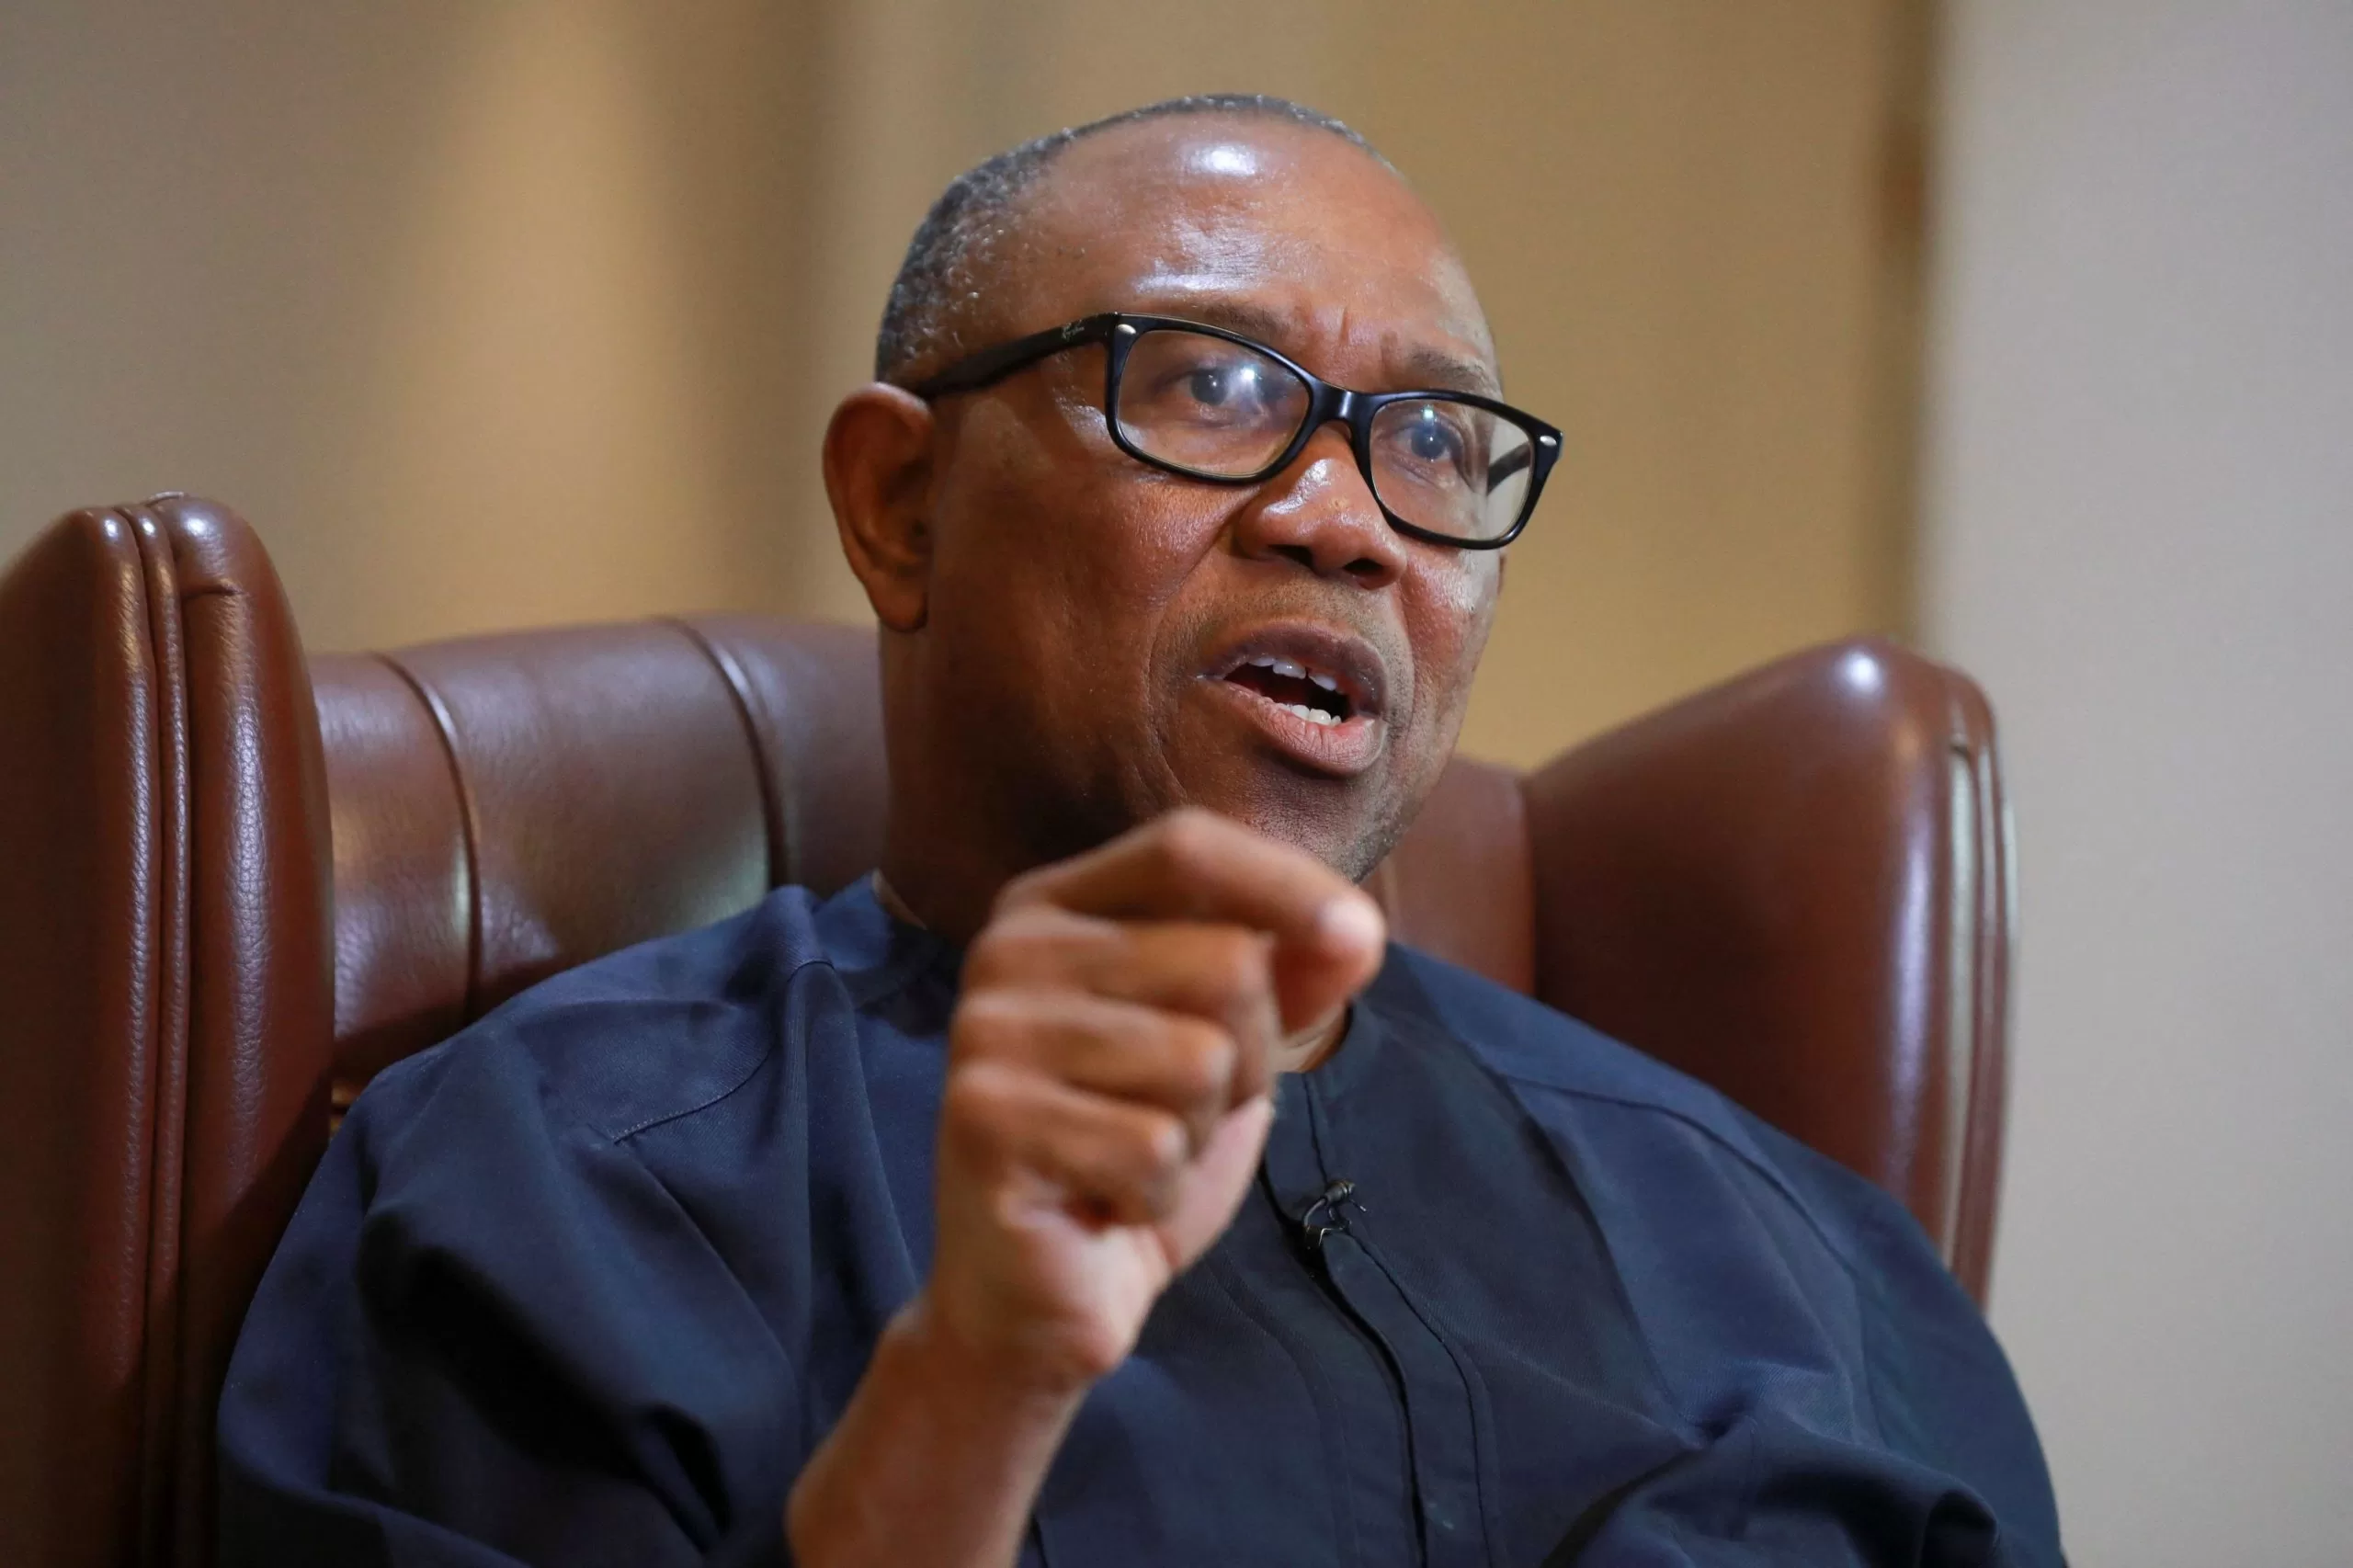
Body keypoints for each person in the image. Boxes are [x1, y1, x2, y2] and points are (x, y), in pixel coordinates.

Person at [216, 95, 2062, 1567]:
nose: (1345, 520)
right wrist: (969, 1389)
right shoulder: (546, 1183)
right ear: (898, 504)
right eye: (1210, 385)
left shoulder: (1801, 1256)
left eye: (1429, 440)